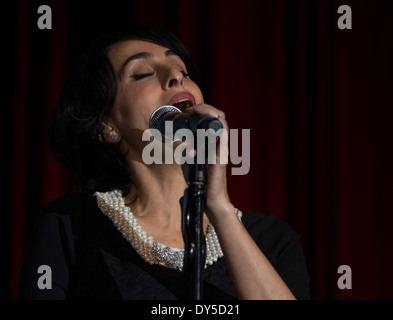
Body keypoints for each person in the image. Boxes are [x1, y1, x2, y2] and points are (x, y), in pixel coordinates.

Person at [17, 23, 310, 300]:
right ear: (107, 127)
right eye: (142, 73)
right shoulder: (71, 224)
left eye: (182, 69)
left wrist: (218, 205)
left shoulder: (271, 239)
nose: (175, 76)